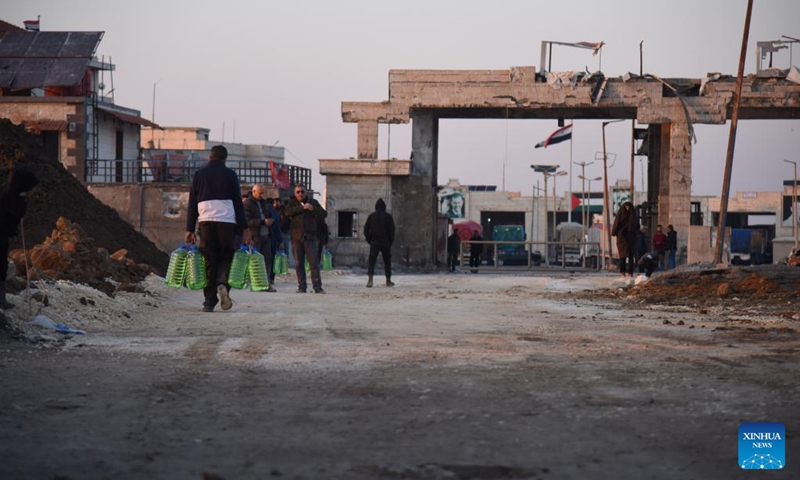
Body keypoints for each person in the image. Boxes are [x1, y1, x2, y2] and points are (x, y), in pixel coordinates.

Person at [185, 145, 249, 312]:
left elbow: (192, 203)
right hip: (227, 222)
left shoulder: (199, 175)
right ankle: (222, 284)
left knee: (209, 260)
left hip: (205, 221)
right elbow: (237, 202)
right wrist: (244, 228)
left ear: (210, 157)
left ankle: (209, 301)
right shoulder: (230, 175)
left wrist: (190, 228)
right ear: (225, 159)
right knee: (226, 256)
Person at [0, 168, 39, 309]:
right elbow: (19, 213)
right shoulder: (13, 196)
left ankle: (1, 299)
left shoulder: (13, 193)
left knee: (2, 266)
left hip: (3, 235)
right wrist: (24, 198)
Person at [285, 184, 327, 294]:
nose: (300, 194)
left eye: (302, 192)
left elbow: (324, 214)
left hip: (310, 237)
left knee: (314, 263)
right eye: (298, 192)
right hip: (296, 238)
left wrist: (313, 209)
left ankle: (317, 286)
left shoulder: (313, 202)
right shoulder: (292, 203)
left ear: (306, 192)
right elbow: (287, 212)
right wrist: (301, 208)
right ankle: (302, 286)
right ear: (295, 193)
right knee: (298, 264)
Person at [243, 184, 277, 292]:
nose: (261, 194)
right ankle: (256, 284)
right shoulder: (247, 204)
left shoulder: (264, 203)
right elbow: (247, 221)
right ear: (254, 191)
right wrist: (262, 222)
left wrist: (271, 220)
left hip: (266, 235)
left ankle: (266, 284)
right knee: (255, 262)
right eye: (260, 192)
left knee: (267, 261)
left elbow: (270, 215)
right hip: (255, 236)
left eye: (262, 192)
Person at [363, 198, 395, 288]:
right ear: (384, 207)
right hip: (385, 243)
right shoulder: (388, 217)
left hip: (374, 242)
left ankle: (370, 280)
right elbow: (392, 231)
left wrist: (369, 240)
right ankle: (388, 281)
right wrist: (390, 241)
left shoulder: (371, 216)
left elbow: (365, 230)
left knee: (372, 261)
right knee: (387, 261)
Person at [611, 201, 639, 277]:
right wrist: (614, 232)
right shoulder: (620, 214)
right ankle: (622, 272)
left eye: (628, 207)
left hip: (630, 238)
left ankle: (630, 272)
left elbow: (636, 226)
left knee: (630, 256)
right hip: (622, 238)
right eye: (626, 207)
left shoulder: (633, 216)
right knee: (622, 256)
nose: (627, 209)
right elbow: (616, 223)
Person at [264, 197, 285, 287]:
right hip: (272, 238)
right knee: (271, 259)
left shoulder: (263, 210)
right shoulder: (275, 213)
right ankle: (270, 278)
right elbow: (277, 228)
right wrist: (280, 241)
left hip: (262, 237)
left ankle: (263, 278)